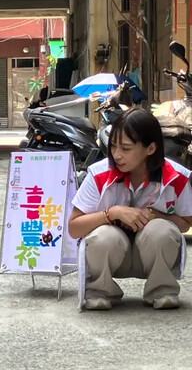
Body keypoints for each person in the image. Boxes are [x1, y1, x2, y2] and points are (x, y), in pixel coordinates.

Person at [69, 107, 192, 310]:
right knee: (103, 235)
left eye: (125, 149)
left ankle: (162, 290)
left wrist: (156, 216)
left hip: (153, 253)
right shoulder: (99, 174)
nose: (117, 155)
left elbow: (186, 223)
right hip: (114, 255)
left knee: (161, 229)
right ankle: (100, 291)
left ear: (150, 149)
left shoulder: (177, 177)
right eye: (114, 147)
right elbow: (74, 227)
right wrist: (112, 213)